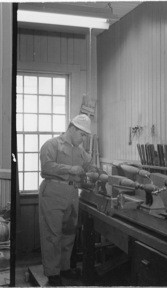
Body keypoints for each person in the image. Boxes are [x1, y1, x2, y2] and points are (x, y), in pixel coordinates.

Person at [39, 114, 93, 286]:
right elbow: (46, 167)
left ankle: (64, 268)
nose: (83, 139)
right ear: (72, 128)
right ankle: (52, 273)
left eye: (85, 135)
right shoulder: (52, 145)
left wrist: (93, 170)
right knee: (53, 235)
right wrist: (71, 168)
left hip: (71, 193)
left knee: (69, 233)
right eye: (82, 134)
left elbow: (88, 166)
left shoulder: (80, 150)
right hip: (53, 192)